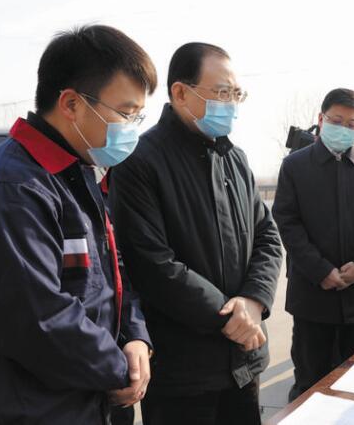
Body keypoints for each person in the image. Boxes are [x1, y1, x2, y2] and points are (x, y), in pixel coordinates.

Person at [0, 25, 156, 424]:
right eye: (125, 113)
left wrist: (135, 337)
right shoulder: (9, 187)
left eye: (138, 115)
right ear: (71, 104)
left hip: (87, 399)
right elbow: (37, 319)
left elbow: (113, 273)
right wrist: (120, 369)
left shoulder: (76, 175)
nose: (131, 128)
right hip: (32, 410)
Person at [108, 42, 282, 425]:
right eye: (221, 92)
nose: (230, 103)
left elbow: (267, 236)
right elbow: (151, 263)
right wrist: (230, 318)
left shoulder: (235, 158)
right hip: (183, 372)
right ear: (180, 93)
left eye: (235, 94)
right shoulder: (140, 161)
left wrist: (254, 300)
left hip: (244, 361)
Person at [272, 88, 354, 402]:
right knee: (310, 386)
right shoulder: (295, 166)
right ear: (321, 119)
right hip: (312, 298)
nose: (343, 129)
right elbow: (287, 222)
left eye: (351, 124)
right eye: (336, 121)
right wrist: (320, 270)